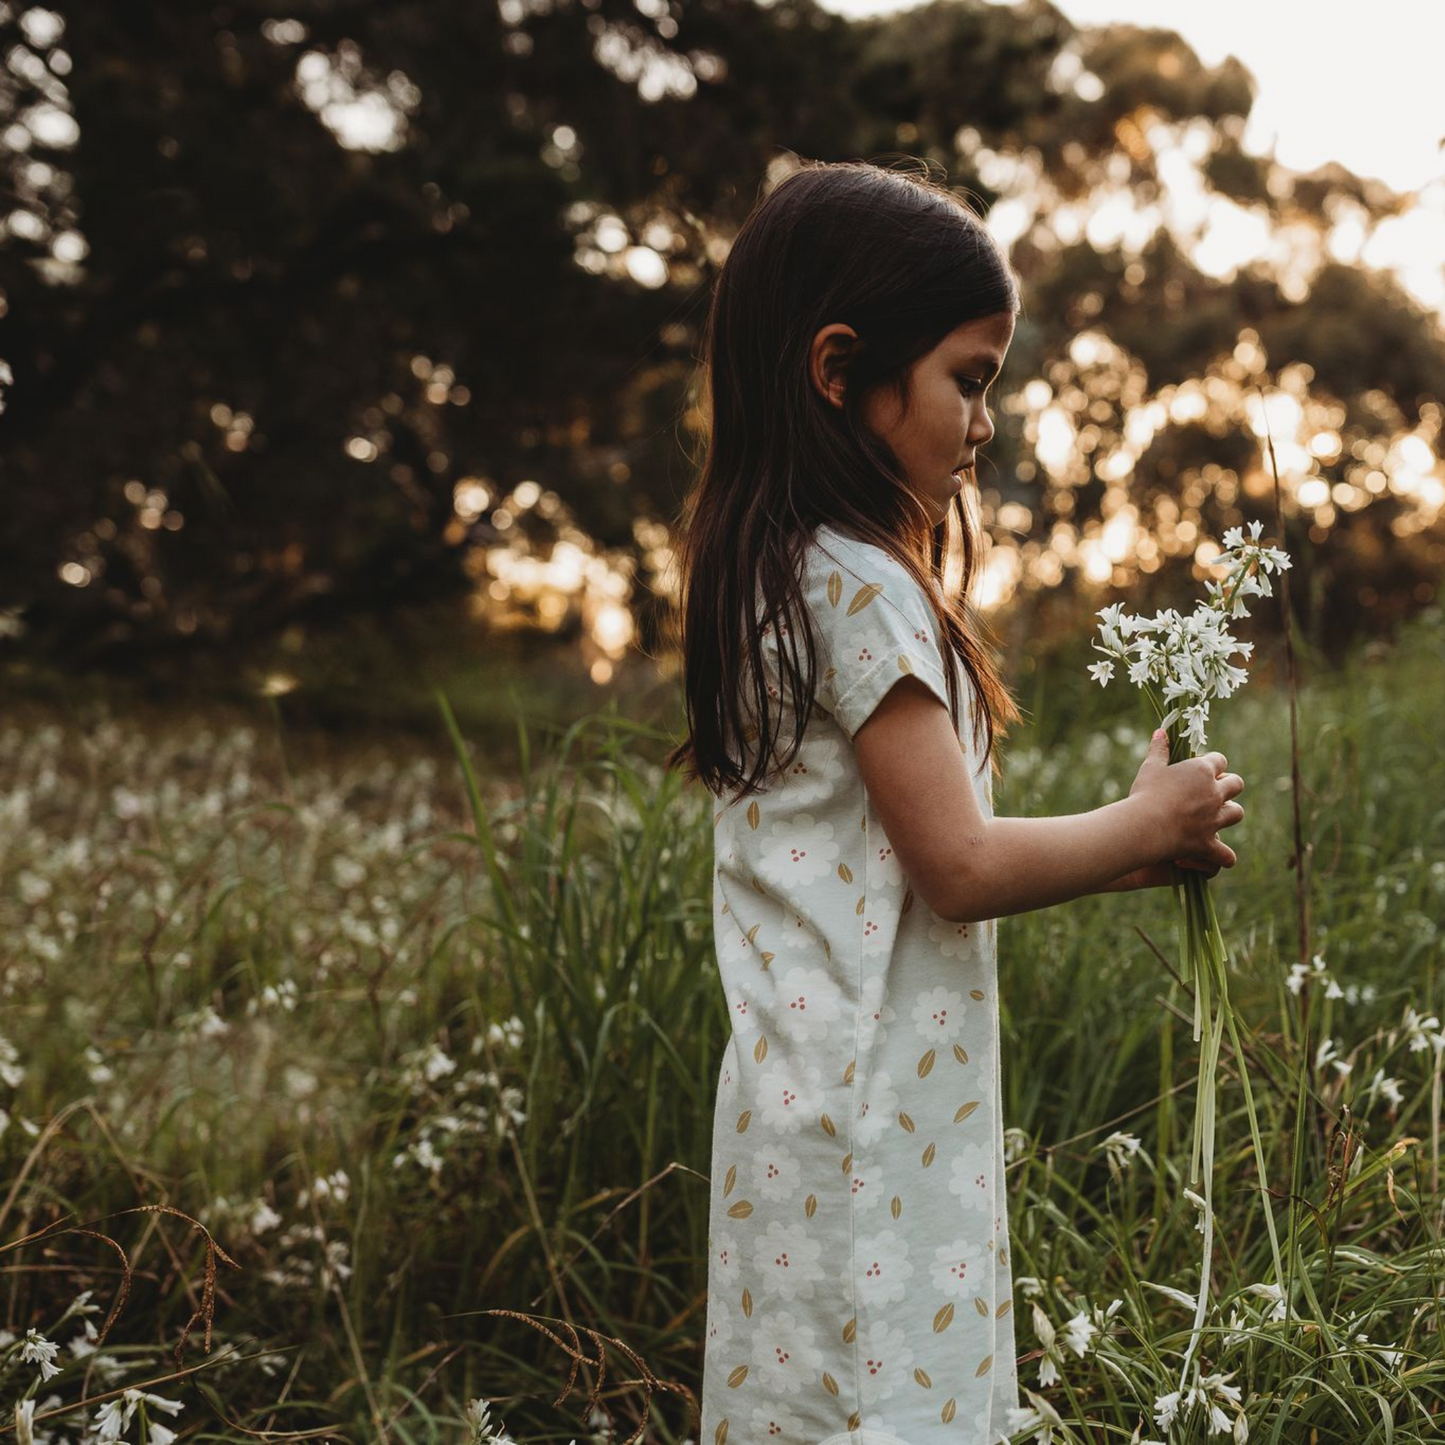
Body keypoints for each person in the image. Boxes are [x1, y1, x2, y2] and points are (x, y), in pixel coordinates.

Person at [664, 158, 1245, 1445]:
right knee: (887, 1409)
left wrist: (1127, 855)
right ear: (837, 370)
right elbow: (959, 866)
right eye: (965, 378)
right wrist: (1142, 820)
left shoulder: (775, 573)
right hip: (879, 1121)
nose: (985, 421)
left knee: (810, 1405)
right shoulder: (861, 586)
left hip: (799, 1114)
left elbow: (905, 858)